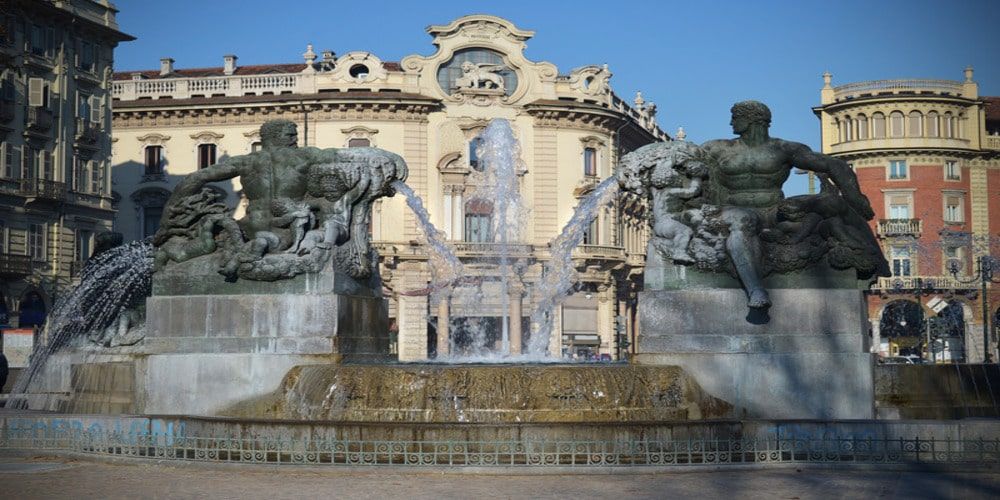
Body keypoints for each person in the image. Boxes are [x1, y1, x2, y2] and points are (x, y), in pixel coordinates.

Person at [700, 100, 879, 308]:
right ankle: (756, 290)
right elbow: (684, 162)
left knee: (831, 205)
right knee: (742, 220)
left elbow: (834, 165)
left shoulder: (784, 149)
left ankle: (859, 254)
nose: (731, 123)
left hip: (774, 211)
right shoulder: (717, 149)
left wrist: (855, 197)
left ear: (753, 120)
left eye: (735, 118)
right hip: (733, 210)